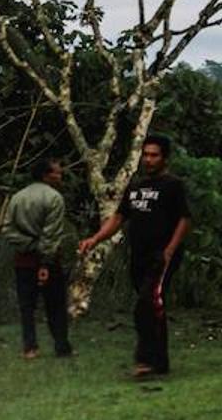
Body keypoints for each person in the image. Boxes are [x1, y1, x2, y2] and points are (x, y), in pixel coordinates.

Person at [78, 134, 192, 377]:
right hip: (138, 255)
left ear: (165, 158)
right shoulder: (135, 187)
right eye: (146, 154)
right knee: (152, 306)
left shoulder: (173, 185)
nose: (148, 160)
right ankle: (159, 362)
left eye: (154, 155)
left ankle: (145, 359)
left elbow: (185, 219)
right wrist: (95, 239)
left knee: (146, 305)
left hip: (160, 256)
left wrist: (169, 251)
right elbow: (118, 218)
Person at [3, 159, 73, 358]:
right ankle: (61, 346)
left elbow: (7, 228)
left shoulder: (17, 197)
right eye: (57, 173)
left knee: (27, 305)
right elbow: (51, 234)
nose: (60, 177)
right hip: (47, 260)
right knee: (55, 304)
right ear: (46, 175)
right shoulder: (54, 198)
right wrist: (45, 260)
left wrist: (26, 244)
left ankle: (30, 347)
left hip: (23, 259)